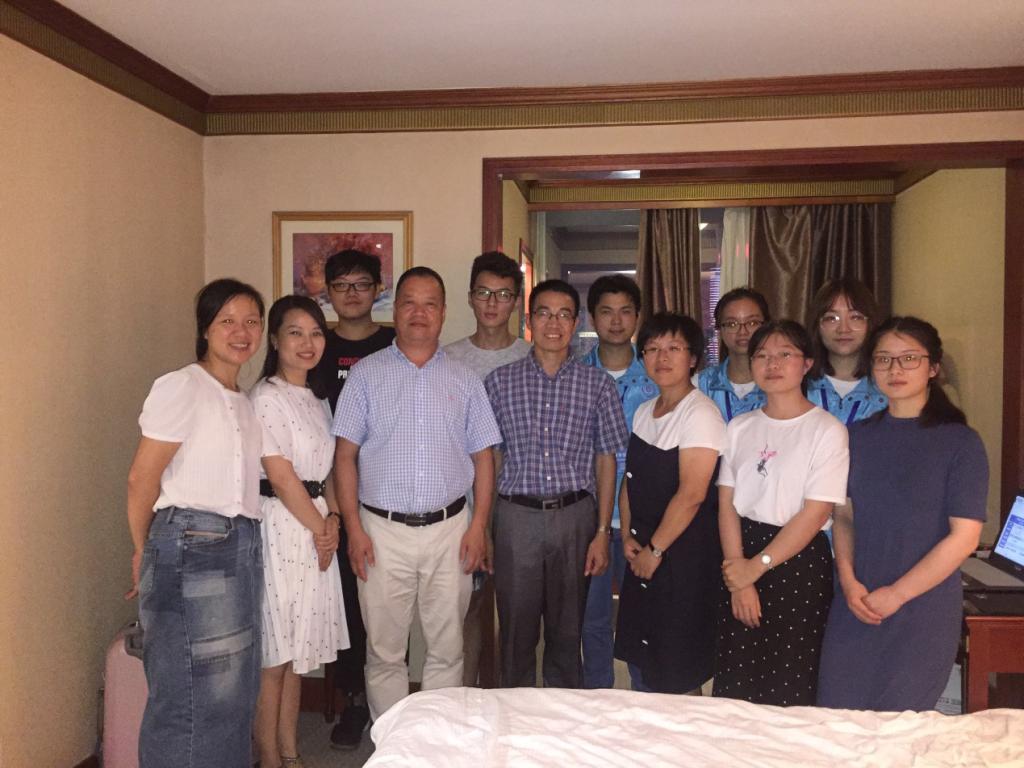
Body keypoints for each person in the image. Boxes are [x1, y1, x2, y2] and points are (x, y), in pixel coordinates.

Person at [332, 266, 501, 721]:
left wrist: (478, 525)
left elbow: (484, 459)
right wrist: (354, 530)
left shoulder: (465, 379)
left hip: (451, 529)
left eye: (430, 304)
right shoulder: (366, 375)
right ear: (395, 311)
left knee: (447, 648)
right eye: (409, 302)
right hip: (380, 531)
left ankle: (436, 740)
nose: (419, 313)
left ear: (443, 313)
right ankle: (392, 741)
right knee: (385, 651)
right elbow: (344, 457)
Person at [126, 278, 265, 768]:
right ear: (205, 329)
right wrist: (143, 550)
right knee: (188, 696)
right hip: (192, 544)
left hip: (241, 544)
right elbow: (142, 478)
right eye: (227, 321)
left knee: (233, 692)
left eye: (251, 321)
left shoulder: (243, 400)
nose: (241, 332)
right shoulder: (183, 385)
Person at [817, 317, 987, 712]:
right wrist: (848, 581)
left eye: (909, 358)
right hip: (855, 602)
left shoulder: (961, 443)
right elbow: (844, 516)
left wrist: (897, 594)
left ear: (933, 367)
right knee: (835, 720)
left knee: (897, 729)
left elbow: (964, 538)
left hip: (921, 610)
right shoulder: (857, 436)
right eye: (884, 359)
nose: (895, 369)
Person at [485, 279, 629, 688]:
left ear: (576, 322)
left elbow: (606, 459)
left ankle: (561, 717)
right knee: (515, 633)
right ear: (529, 320)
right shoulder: (499, 382)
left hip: (574, 517)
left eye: (564, 315)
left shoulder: (597, 385)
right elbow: (492, 459)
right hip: (516, 517)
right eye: (544, 313)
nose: (554, 323)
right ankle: (515, 715)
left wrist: (601, 532)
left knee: (568, 634)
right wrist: (487, 528)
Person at [713, 320, 849, 707]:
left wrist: (756, 567)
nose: (772, 364)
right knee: (736, 681)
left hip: (798, 560)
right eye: (762, 356)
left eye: (784, 354)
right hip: (740, 552)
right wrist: (739, 575)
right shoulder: (739, 427)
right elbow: (726, 504)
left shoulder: (827, 430)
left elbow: (816, 512)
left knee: (789, 683)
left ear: (806, 363)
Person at [251, 296, 350, 768]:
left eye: (315, 333)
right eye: (295, 332)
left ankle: (290, 751)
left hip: (315, 526)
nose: (307, 343)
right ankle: (269, 757)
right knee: (274, 655)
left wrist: (334, 521)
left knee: (295, 654)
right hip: (280, 527)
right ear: (275, 339)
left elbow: (325, 472)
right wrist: (321, 529)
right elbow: (281, 476)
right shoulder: (265, 397)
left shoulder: (317, 398)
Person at [614, 313, 725, 694]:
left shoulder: (702, 414)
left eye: (674, 348)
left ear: (693, 358)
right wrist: (627, 536)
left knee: (676, 668)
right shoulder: (646, 410)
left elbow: (692, 494)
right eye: (652, 349)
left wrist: (655, 551)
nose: (662, 357)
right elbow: (630, 479)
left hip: (682, 559)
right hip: (644, 552)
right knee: (642, 660)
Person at [312, 248, 395, 748]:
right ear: (327, 293)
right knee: (344, 603)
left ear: (377, 289)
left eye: (361, 284)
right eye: (341, 285)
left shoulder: (395, 342)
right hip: (330, 497)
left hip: (388, 495)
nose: (351, 294)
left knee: (386, 606)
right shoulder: (315, 346)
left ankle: (392, 702)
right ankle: (353, 701)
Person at [444, 251, 531, 686]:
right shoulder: (448, 359)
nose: (493, 303)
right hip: (463, 505)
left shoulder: (533, 356)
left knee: (518, 609)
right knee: (469, 605)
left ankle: (508, 698)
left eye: (503, 294)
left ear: (516, 301)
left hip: (520, 504)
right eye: (483, 293)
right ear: (470, 297)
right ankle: (466, 697)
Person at [578, 274, 657, 689]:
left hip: (642, 517)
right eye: (606, 311)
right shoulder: (575, 374)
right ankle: (598, 695)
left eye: (625, 311)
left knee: (641, 615)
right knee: (591, 617)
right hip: (588, 514)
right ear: (592, 317)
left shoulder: (657, 376)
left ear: (637, 317)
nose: (615, 320)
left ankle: (643, 698)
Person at [806, 278, 887, 425]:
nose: (843, 329)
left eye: (855, 317)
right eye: (831, 318)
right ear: (817, 325)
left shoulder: (888, 388)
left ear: (870, 323)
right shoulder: (797, 386)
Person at [697, 288, 771, 422]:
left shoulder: (785, 383)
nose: (743, 332)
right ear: (720, 330)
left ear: (766, 326)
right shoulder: (700, 385)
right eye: (732, 324)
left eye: (752, 323)